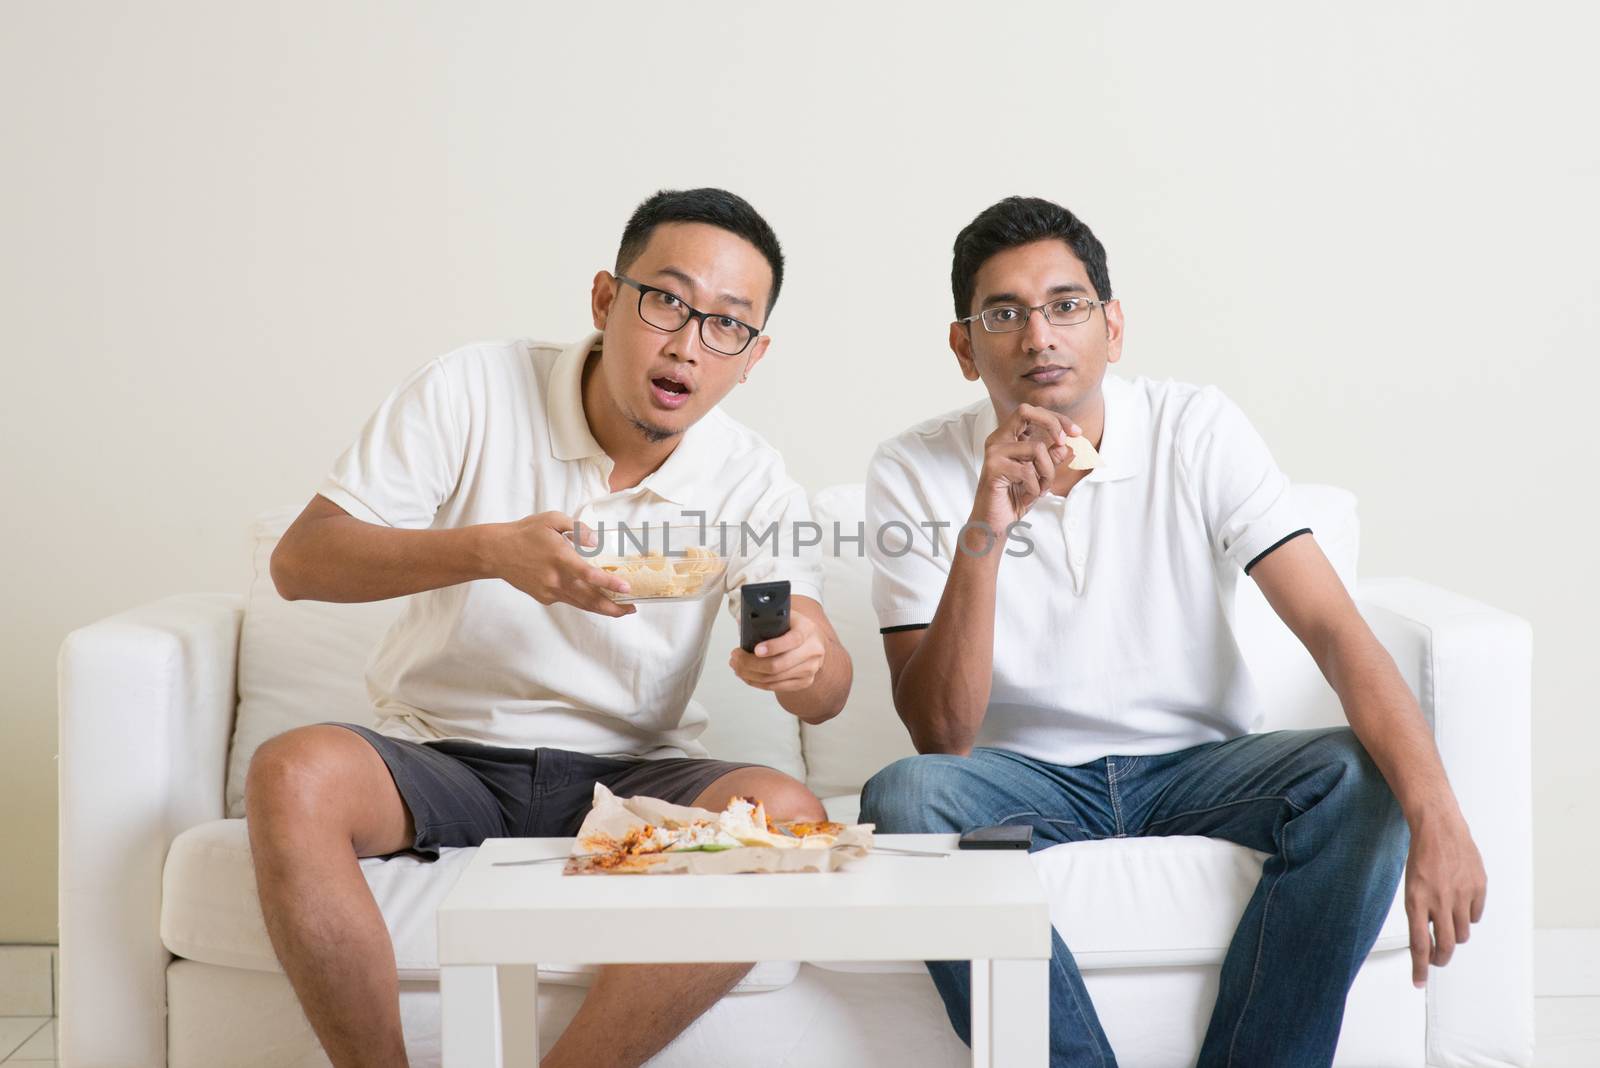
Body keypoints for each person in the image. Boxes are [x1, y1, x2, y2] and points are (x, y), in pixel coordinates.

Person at [858, 195, 1485, 1066]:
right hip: (1024, 780)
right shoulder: (911, 467)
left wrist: (1439, 813)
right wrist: (987, 522)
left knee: (1361, 776)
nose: (1039, 336)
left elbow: (1335, 632)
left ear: (1112, 327)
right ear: (965, 346)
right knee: (904, 796)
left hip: (1201, 767)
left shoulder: (1196, 427)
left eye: (1067, 306)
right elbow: (941, 736)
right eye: (1004, 314)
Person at [249, 187, 852, 1068]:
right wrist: (491, 551)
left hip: (632, 777)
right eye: (667, 302)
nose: (688, 344)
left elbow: (826, 684)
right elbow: (302, 564)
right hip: (443, 755)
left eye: (727, 325)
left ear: (752, 357)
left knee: (790, 814)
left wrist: (805, 657)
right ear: (607, 299)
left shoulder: (751, 479)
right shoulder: (474, 387)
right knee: (292, 773)